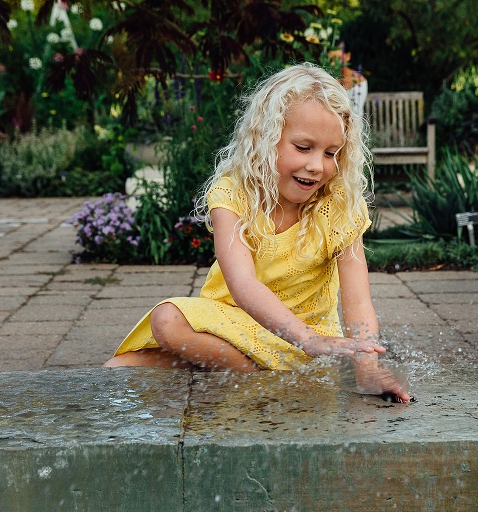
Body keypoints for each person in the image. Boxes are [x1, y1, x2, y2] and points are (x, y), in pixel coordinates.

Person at [104, 63, 410, 403]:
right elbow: (243, 285)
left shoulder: (339, 206)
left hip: (305, 344)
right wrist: (307, 339)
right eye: (304, 147)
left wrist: (366, 367)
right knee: (156, 331)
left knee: (131, 365)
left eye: (331, 153)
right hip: (234, 329)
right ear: (266, 139)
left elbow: (358, 299)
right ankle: (261, 375)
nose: (317, 165)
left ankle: (252, 373)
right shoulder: (233, 195)